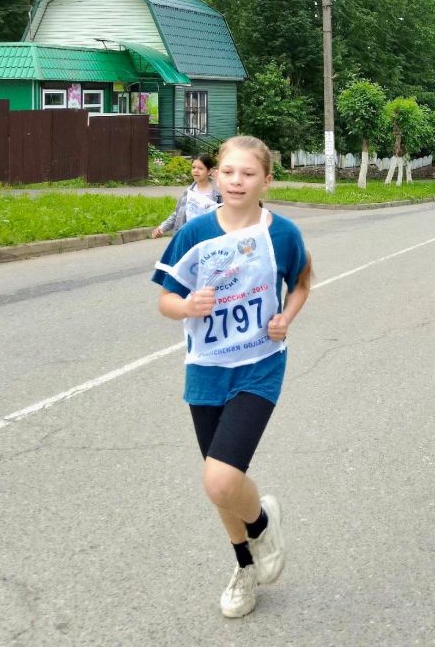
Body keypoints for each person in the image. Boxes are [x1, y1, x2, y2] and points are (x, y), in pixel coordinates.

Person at [151, 135, 313, 618]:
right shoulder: (195, 233)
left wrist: (287, 316)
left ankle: (260, 524)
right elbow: (164, 299)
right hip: (206, 370)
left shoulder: (281, 233)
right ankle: (245, 565)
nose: (236, 181)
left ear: (267, 180)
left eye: (248, 173)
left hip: (260, 365)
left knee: (221, 480)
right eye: (228, 172)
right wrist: (186, 305)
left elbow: (303, 281)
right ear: (215, 176)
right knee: (219, 480)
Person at [152, 155, 222, 238]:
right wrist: (162, 228)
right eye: (193, 167)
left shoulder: (219, 194)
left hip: (208, 239)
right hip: (188, 238)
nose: (196, 171)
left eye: (200, 168)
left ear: (209, 171)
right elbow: (177, 214)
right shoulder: (189, 192)